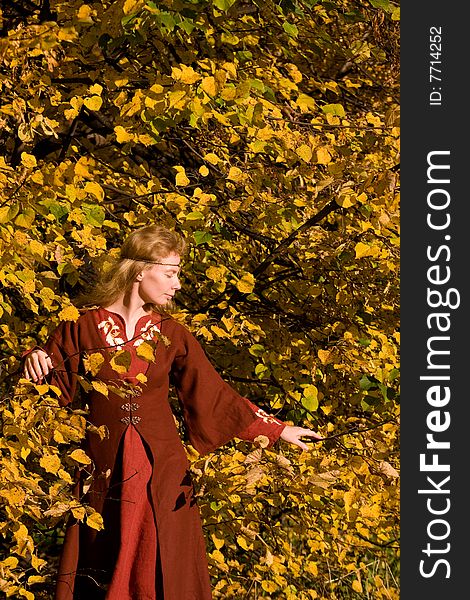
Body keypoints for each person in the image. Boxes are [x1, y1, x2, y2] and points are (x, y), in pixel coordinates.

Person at [23, 224, 321, 600]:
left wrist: (278, 430)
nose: (177, 285)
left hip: (161, 470)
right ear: (139, 271)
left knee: (159, 559)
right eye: (170, 273)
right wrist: (34, 357)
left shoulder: (171, 333)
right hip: (103, 466)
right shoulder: (81, 326)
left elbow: (212, 393)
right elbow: (55, 383)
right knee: (101, 561)